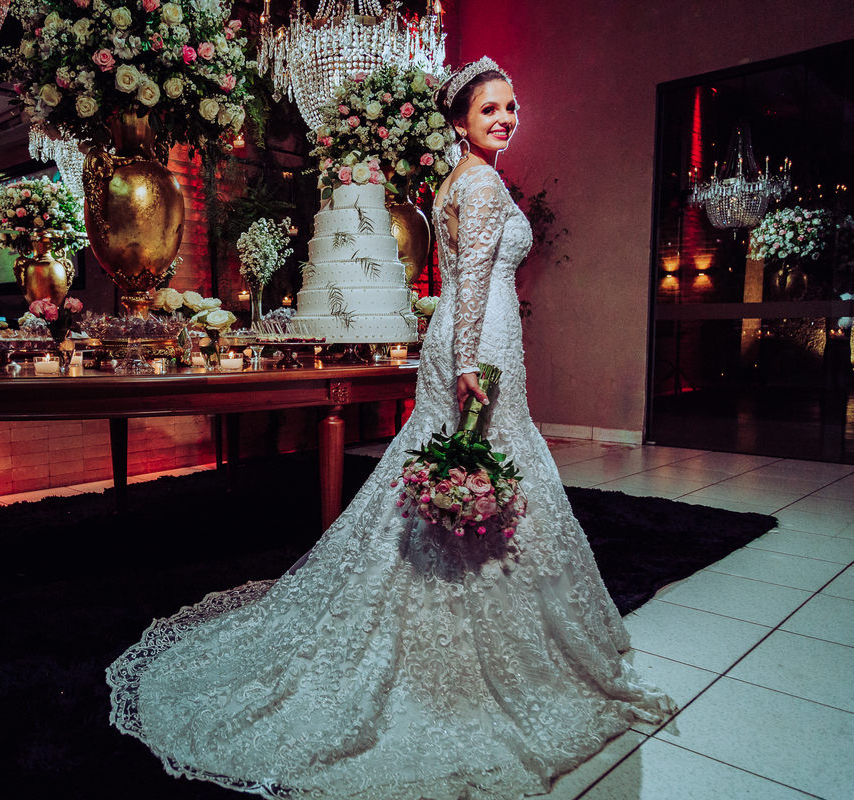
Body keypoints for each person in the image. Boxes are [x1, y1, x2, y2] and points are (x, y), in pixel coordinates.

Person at [107, 57, 675, 800]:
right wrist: (469, 361)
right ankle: (469, 628)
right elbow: (472, 281)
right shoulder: (480, 184)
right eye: (489, 110)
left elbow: (462, 275)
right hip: (478, 341)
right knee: (477, 464)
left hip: (470, 338)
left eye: (511, 107)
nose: (504, 119)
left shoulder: (455, 180)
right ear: (460, 122)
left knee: (450, 463)